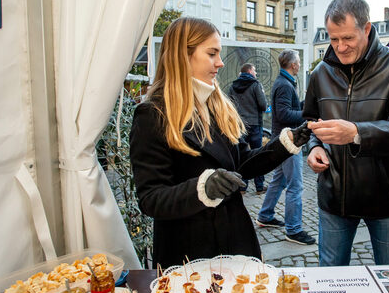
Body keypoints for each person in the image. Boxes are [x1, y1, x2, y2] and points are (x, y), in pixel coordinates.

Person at [129, 18, 311, 268]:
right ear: (183, 56)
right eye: (212, 53)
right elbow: (151, 198)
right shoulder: (152, 115)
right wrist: (203, 189)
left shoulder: (217, 105)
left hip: (234, 239)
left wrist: (285, 143)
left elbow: (243, 164)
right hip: (188, 252)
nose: (220, 62)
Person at [303, 0, 389, 266]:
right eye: (333, 39)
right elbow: (310, 123)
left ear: (367, 29)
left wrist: (356, 133)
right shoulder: (321, 73)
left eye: (347, 38)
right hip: (335, 197)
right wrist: (314, 147)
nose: (340, 47)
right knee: (330, 278)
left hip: (385, 197)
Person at [256, 50, 316, 246]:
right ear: (294, 65)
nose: (299, 65)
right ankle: (294, 229)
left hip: (281, 140)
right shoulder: (284, 84)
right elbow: (283, 115)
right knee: (295, 186)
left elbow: (288, 109)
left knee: (278, 181)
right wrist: (306, 115)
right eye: (298, 62)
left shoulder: (285, 82)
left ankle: (265, 216)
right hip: (288, 142)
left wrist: (303, 106)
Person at [228, 63, 268, 194]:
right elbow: (263, 105)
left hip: (240, 125)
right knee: (258, 155)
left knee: (242, 155)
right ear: (250, 71)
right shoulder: (256, 85)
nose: (256, 73)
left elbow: (229, 106)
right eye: (255, 70)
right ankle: (259, 186)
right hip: (255, 124)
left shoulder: (233, 86)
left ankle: (242, 186)